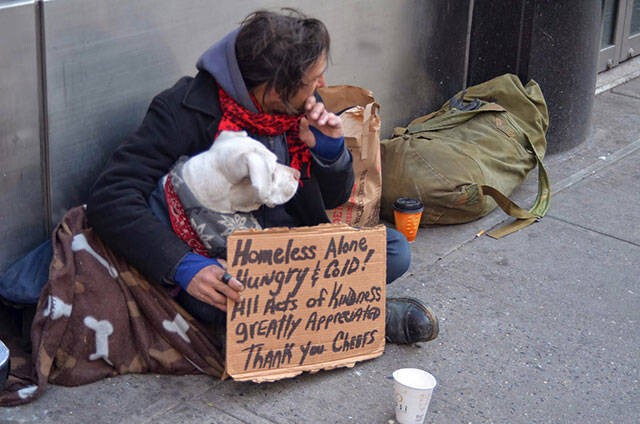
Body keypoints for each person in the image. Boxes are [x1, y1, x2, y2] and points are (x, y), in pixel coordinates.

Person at [85, 9, 438, 345]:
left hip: (290, 249)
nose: (321, 85)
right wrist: (184, 266)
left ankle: (302, 319)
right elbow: (112, 196)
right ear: (270, 89)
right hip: (222, 258)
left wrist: (330, 150)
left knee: (393, 251)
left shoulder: (300, 107)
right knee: (223, 300)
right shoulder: (183, 110)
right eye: (311, 80)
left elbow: (332, 199)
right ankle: (366, 319)